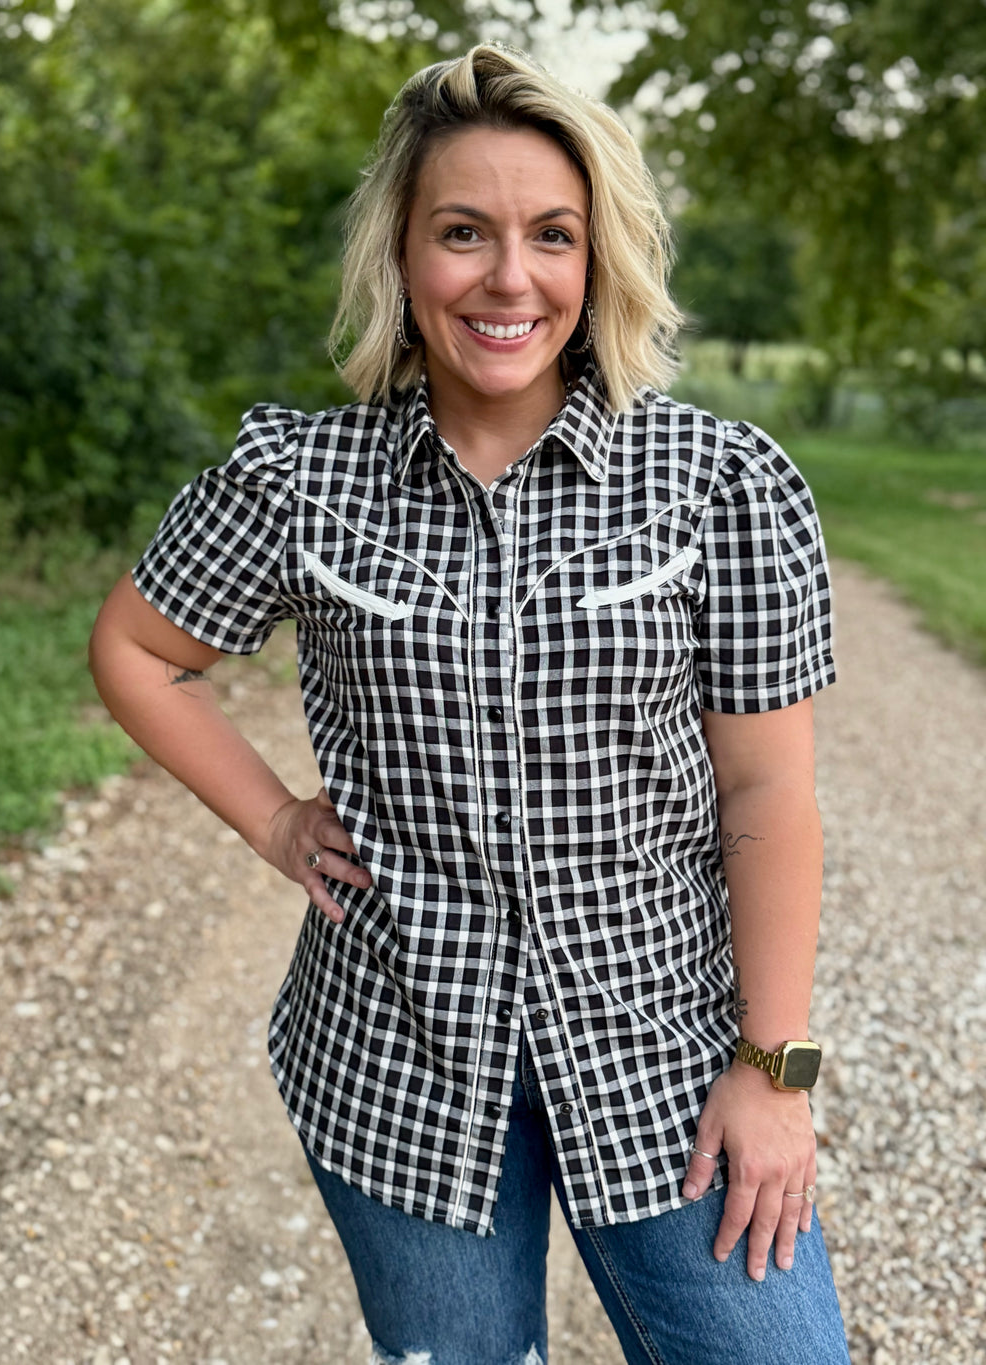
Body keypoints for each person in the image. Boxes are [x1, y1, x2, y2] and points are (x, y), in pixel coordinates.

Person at [89, 42, 850, 1365]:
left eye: (553, 234)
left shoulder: (715, 481)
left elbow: (769, 793)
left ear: (598, 256)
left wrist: (776, 1069)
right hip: (397, 1065)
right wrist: (274, 821)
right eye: (463, 232)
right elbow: (137, 650)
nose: (510, 277)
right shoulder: (300, 475)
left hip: (666, 1052)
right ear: (400, 251)